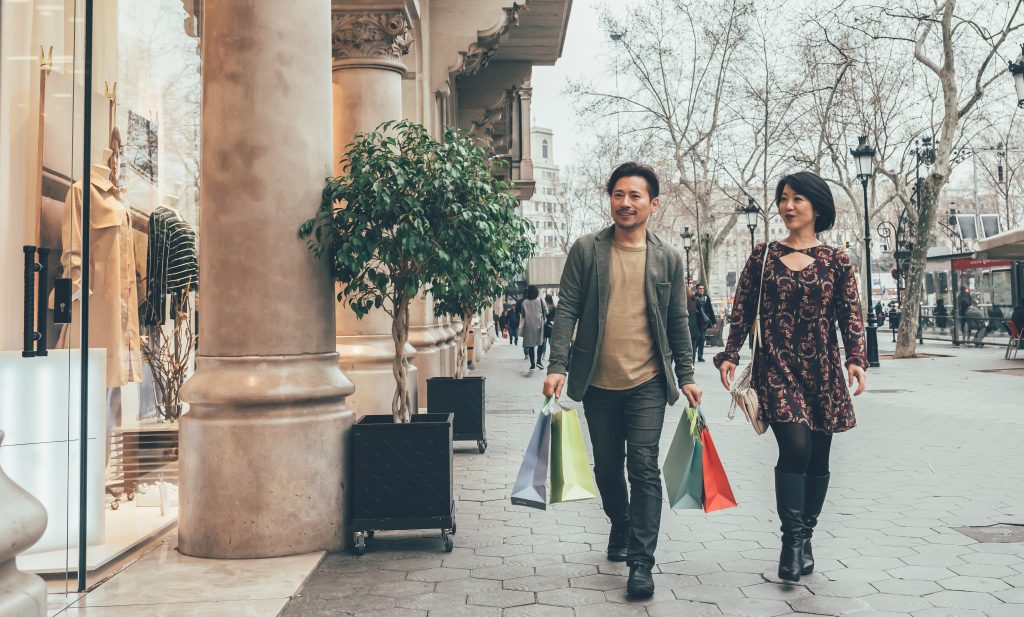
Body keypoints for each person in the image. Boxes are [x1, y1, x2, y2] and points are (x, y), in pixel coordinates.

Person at [543, 162, 702, 599]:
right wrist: (557, 365)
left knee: (644, 466)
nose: (625, 203)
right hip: (597, 381)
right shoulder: (587, 250)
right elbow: (567, 310)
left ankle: (641, 562)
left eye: (634, 196)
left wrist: (686, 376)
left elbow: (678, 323)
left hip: (649, 380)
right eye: (618, 194)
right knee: (608, 468)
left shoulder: (668, 256)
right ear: (610, 198)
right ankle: (622, 522)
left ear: (653, 204)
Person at [715, 171, 867, 583]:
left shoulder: (836, 260)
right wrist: (730, 353)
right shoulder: (763, 256)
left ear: (817, 206)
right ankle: (791, 541)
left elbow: (849, 313)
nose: (787, 206)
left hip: (822, 371)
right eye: (783, 198)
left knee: (819, 457)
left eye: (797, 198)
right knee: (796, 448)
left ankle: (806, 536)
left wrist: (856, 358)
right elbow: (743, 308)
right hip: (777, 368)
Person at [520, 285, 546, 370]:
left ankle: (532, 365)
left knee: (531, 346)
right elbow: (546, 311)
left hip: (529, 326)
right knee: (541, 343)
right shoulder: (541, 300)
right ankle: (539, 361)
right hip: (539, 325)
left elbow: (523, 315)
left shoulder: (524, 302)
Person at [692, 283, 717, 362]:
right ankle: (693, 354)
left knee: (702, 339)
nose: (701, 290)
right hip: (696, 322)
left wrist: (714, 321)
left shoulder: (706, 297)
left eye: (702, 288)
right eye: (700, 288)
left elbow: (710, 309)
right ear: (697, 289)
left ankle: (700, 356)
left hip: (704, 322)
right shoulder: (694, 297)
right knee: (697, 338)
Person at [538, 294, 556, 367]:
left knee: (544, 341)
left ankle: (543, 354)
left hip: (546, 326)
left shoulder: (544, 307)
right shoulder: (554, 307)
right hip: (552, 326)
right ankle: (551, 355)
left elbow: (546, 316)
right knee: (551, 341)